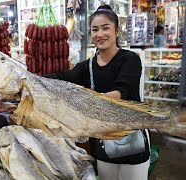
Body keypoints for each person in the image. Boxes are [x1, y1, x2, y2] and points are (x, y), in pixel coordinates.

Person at [45, 5, 150, 180]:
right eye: (95, 30)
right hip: (103, 143)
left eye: (105, 28)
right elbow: (63, 78)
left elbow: (121, 92)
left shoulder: (130, 59)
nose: (100, 34)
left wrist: (84, 103)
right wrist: (30, 79)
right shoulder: (87, 66)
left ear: (116, 30)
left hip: (132, 141)